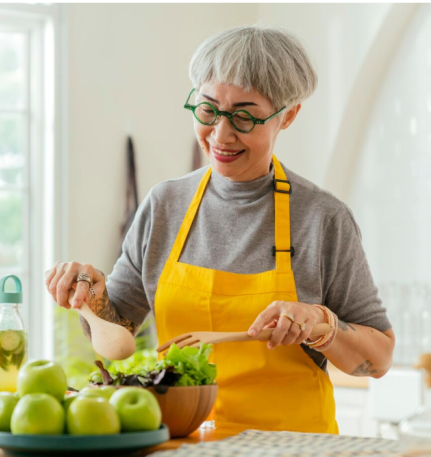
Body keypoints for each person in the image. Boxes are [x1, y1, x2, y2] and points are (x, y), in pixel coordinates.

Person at [45, 24, 394, 434]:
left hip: (294, 447)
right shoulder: (164, 206)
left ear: (289, 116)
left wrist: (320, 322)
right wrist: (91, 293)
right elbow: (117, 334)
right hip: (184, 442)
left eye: (244, 117)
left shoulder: (322, 219)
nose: (220, 135)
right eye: (209, 111)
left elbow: (379, 358)